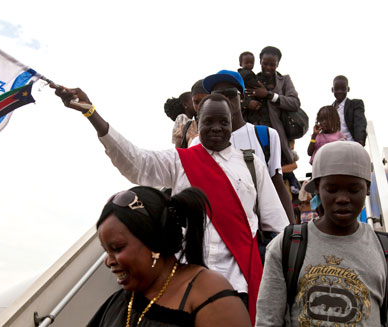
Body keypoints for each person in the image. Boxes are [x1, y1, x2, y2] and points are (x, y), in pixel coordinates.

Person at [52, 85, 288, 323]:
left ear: (232, 123)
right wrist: (92, 115)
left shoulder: (252, 164)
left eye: (223, 122)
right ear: (197, 122)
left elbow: (277, 226)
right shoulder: (179, 161)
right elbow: (136, 162)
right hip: (183, 286)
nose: (217, 128)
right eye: (209, 121)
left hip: (241, 285)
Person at [256, 141, 387, 326]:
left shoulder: (383, 250)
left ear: (367, 188)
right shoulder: (287, 245)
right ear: (317, 188)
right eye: (332, 189)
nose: (342, 198)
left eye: (353, 189)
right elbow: (268, 320)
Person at [88, 186, 251, 326]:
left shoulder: (209, 295)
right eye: (106, 251)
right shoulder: (121, 302)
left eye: (117, 248)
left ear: (153, 240)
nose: (108, 261)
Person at [192, 70, 295, 223]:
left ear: (242, 97)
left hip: (257, 233)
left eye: (230, 93)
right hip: (215, 229)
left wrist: (291, 231)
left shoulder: (265, 135)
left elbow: (277, 183)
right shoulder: (198, 143)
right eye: (217, 94)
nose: (225, 98)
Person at [244, 46, 301, 165]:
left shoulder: (284, 80)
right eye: (265, 64)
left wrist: (269, 95)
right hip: (254, 134)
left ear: (278, 64)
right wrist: (248, 103)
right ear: (260, 61)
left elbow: (295, 103)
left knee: (276, 171)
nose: (268, 68)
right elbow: (239, 99)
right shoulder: (251, 79)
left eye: (272, 65)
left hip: (277, 136)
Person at [332, 75, 367, 146]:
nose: (339, 91)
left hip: (351, 144)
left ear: (348, 89)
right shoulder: (329, 109)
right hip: (333, 145)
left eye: (343, 89)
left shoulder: (355, 104)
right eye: (337, 89)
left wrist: (360, 141)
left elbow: (360, 123)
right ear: (332, 89)